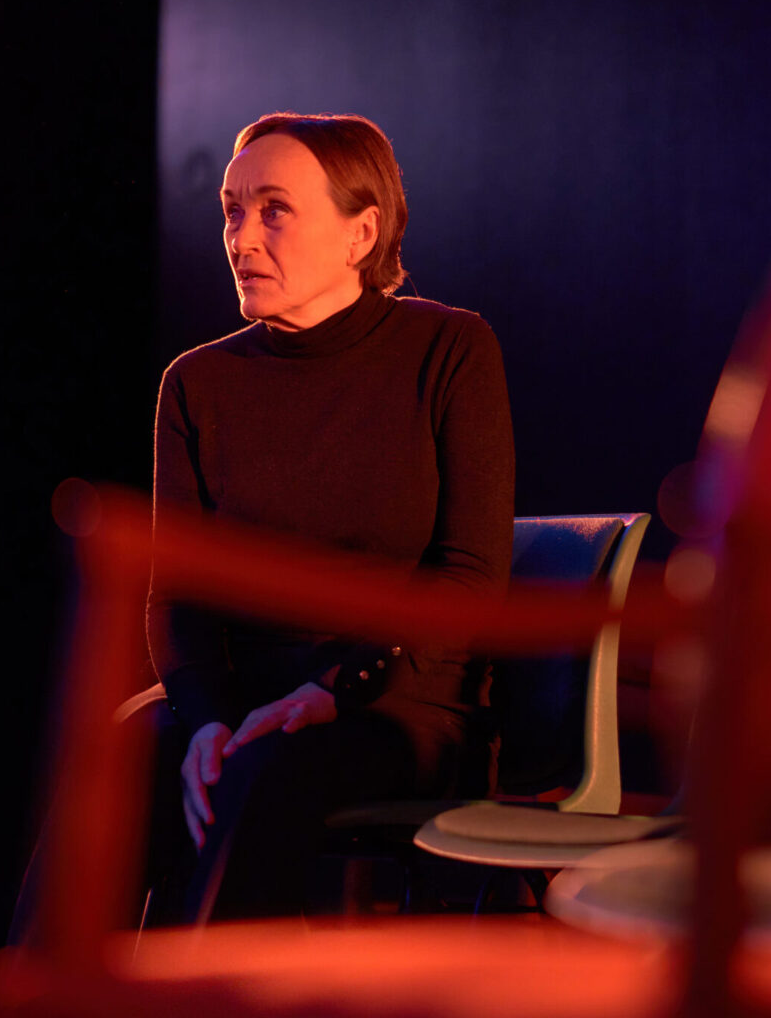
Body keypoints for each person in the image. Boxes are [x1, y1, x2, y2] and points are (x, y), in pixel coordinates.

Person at [147, 111, 514, 922]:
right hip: (248, 698)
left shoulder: (449, 349)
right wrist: (205, 720)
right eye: (232, 211)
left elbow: (470, 576)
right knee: (119, 761)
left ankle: (227, 985)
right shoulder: (196, 384)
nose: (242, 238)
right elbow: (178, 596)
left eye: (274, 210)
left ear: (361, 233)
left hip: (400, 703)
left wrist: (334, 690)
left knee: (267, 770)